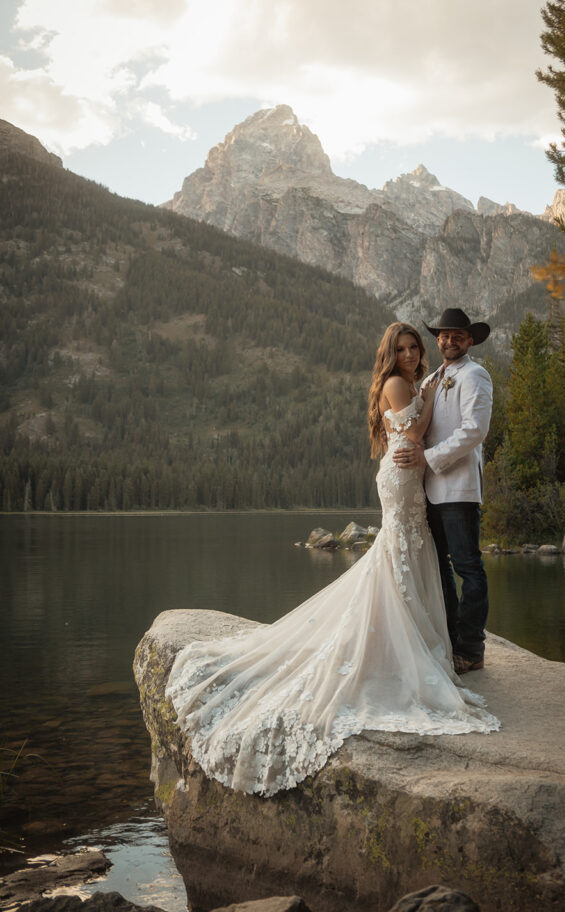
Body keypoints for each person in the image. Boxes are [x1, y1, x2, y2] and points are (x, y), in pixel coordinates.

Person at [166, 322, 498, 798]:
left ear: (467, 340)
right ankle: (436, 644)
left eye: (417, 346)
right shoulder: (405, 382)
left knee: (450, 564)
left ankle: (463, 645)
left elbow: (471, 429)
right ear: (394, 352)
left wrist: (426, 442)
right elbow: (413, 427)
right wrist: (422, 423)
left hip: (438, 481)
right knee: (411, 556)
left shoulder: (464, 376)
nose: (414, 351)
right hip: (410, 477)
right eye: (406, 346)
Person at [393, 308, 493, 675]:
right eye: (444, 335)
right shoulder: (433, 378)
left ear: (469, 340)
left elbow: (474, 430)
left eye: (457, 336)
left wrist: (428, 457)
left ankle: (472, 648)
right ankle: (450, 642)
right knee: (439, 570)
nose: (449, 341)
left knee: (468, 567)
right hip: (428, 490)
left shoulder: (475, 375)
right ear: (438, 340)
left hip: (458, 487)